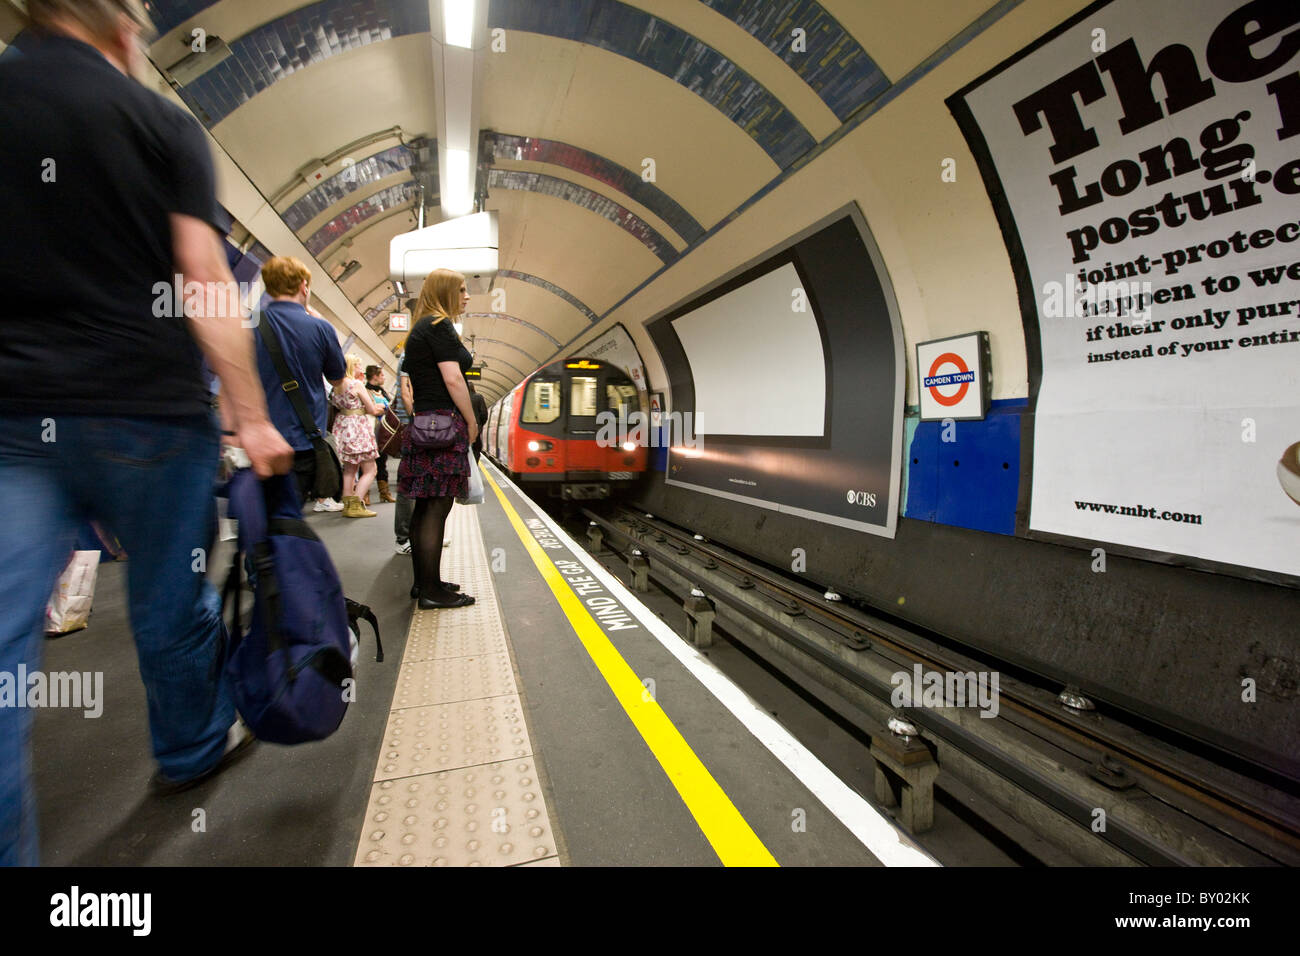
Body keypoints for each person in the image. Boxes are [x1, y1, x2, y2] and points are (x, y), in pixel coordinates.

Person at [0, 0, 294, 865]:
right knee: (174, 604)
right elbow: (204, 279)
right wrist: (248, 415)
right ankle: (192, 747)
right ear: (124, 26)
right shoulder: (161, 123)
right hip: (149, 415)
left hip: (12, 420)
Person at [399, 269, 478, 609]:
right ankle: (432, 593)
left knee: (426, 506)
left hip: (426, 424)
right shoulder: (439, 325)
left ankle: (425, 582)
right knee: (438, 505)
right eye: (461, 290)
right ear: (446, 292)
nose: (467, 296)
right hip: (445, 425)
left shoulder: (421, 328)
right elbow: (454, 379)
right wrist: (471, 421)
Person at [251, 256, 347, 512]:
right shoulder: (320, 328)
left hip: (259, 438)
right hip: (303, 440)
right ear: (304, 286)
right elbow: (338, 380)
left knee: (262, 513)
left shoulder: (248, 324)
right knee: (289, 515)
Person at [332, 354, 383, 518]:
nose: (361, 369)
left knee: (349, 469)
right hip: (358, 427)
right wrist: (380, 407)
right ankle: (357, 502)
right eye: (359, 366)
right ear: (352, 366)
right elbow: (371, 410)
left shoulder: (337, 385)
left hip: (343, 427)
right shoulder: (356, 384)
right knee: (370, 469)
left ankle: (347, 504)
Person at [392, 346, 416, 554]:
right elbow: (406, 391)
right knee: (409, 483)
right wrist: (417, 421)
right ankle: (403, 538)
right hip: (413, 426)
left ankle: (418, 534)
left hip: (420, 425)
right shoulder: (410, 354)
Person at [365, 365, 398, 504]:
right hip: (369, 429)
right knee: (366, 463)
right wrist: (380, 408)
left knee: (381, 461)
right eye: (382, 375)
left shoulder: (383, 392)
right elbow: (371, 409)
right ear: (375, 376)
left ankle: (384, 493)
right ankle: (364, 494)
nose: (384, 377)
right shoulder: (365, 390)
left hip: (383, 431)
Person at [468, 381, 488, 462]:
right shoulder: (479, 397)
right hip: (476, 429)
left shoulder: (460, 397)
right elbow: (484, 414)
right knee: (476, 449)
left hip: (462, 429)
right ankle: (474, 464)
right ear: (473, 388)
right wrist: (480, 424)